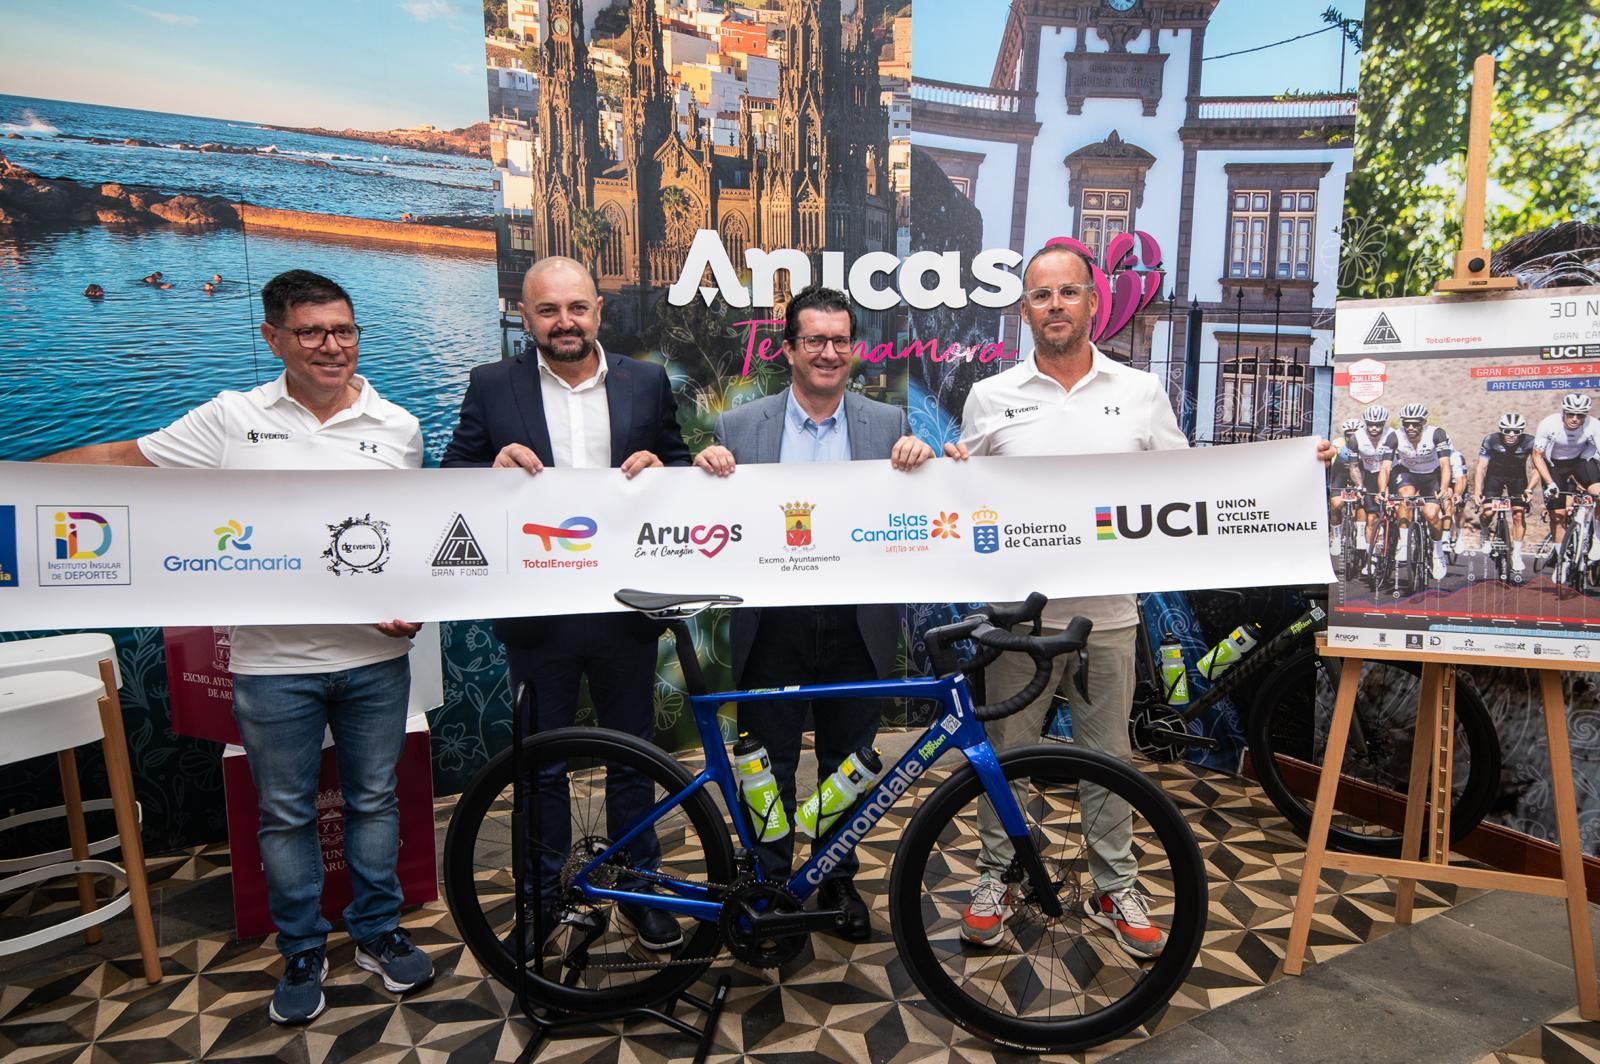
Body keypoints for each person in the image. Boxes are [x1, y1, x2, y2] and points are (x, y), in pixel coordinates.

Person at [37, 270, 433, 1025]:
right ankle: (303, 949)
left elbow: (402, 540)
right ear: (273, 339)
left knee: (374, 801)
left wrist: (407, 604)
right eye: (311, 332)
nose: (330, 346)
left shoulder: (399, 425)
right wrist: (18, 483)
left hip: (376, 663)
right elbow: (128, 462)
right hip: (270, 664)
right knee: (283, 813)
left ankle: (378, 931)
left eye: (343, 330)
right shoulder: (230, 418)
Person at [941, 243, 1187, 958]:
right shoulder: (992, 395)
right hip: (1013, 619)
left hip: (1107, 614)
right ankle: (1000, 874)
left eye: (1068, 293)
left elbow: (1197, 484)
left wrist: (1294, 471)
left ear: (1091, 302)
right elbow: (963, 499)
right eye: (1041, 296)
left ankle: (1115, 884)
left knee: (1109, 756)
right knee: (1005, 756)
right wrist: (948, 471)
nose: (1055, 306)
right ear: (1025, 310)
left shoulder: (1141, 392)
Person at [441, 256, 690, 952]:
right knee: (542, 766)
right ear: (526, 317)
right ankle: (544, 897)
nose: (565, 322)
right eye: (548, 311)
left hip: (624, 609)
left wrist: (664, 469)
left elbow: (677, 463)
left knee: (634, 755)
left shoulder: (645, 381)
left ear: (598, 312)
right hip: (539, 613)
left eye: (577, 308)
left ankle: (638, 886)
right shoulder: (494, 385)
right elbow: (452, 476)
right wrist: (486, 472)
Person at [693, 284, 934, 941]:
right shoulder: (739, 429)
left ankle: (837, 880)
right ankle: (769, 883)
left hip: (857, 621)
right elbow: (710, 521)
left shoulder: (889, 426)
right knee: (766, 765)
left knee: (847, 761)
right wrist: (703, 469)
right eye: (815, 341)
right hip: (773, 622)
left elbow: (918, 509)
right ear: (788, 350)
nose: (830, 353)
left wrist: (925, 461)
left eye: (841, 341)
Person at [1378, 402, 1454, 580]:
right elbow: (1385, 468)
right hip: (1408, 473)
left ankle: (1437, 553)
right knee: (1405, 498)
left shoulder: (1437, 434)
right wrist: (1382, 489)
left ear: (1424, 422)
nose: (1411, 427)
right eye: (1406, 423)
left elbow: (1445, 464)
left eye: (1416, 423)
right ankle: (1404, 543)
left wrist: (1443, 488)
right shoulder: (1394, 437)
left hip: (1432, 475)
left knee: (1431, 513)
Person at [1531, 392, 1600, 572]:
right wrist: (1550, 483)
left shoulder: (1594, 425)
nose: (1575, 419)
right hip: (1554, 466)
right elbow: (1537, 456)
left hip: (1580, 462)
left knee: (1599, 495)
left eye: (1580, 415)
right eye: (1571, 414)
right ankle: (1561, 561)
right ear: (1564, 412)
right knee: (1558, 515)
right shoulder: (1548, 424)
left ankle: (1597, 541)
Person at [1475, 412, 1535, 577]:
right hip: (1495, 477)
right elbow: (1481, 467)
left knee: (1518, 513)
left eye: (1516, 431)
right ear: (1501, 429)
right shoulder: (1491, 440)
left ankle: (1516, 553)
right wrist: (1478, 491)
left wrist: (1530, 488)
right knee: (1488, 512)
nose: (1511, 434)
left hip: (1518, 478)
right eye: (1507, 430)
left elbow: (1537, 468)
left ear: (1522, 431)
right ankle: (1485, 532)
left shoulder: (1530, 441)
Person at [1349, 404, 1395, 575]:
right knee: (1372, 518)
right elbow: (1354, 466)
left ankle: (1396, 539)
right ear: (1365, 423)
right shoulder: (1356, 438)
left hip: (1391, 473)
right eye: (1370, 424)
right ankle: (1371, 556)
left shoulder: (1392, 436)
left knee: (1397, 508)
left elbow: (1388, 467)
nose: (1375, 428)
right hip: (1369, 475)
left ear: (1384, 423)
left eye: (1379, 424)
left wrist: (1387, 487)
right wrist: (1359, 485)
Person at [1328, 416, 1362, 558]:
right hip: (1340, 474)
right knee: (1335, 505)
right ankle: (1336, 537)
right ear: (1344, 435)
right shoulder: (1338, 444)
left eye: (1356, 434)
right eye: (1349, 435)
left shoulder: (1366, 445)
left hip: (1359, 475)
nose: (1352, 437)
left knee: (1363, 505)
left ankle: (1360, 534)